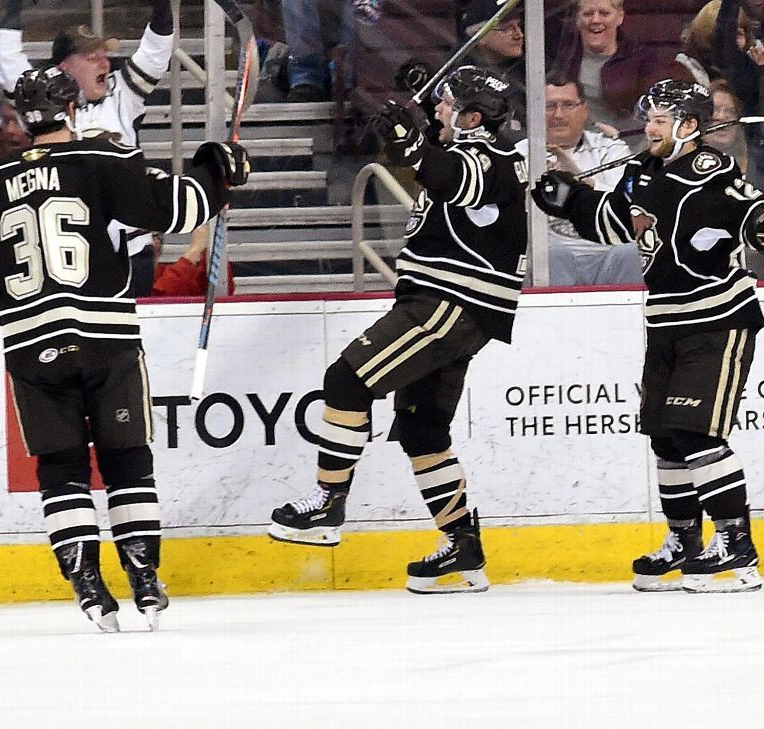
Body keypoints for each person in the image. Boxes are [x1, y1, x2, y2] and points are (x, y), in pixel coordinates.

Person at [0, 67, 248, 631]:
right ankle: (144, 580)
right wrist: (215, 167)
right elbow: (183, 208)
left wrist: (28, 326)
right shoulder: (104, 160)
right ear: (72, 110)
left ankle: (88, 587)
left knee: (61, 468)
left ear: (22, 118)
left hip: (30, 348)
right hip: (106, 342)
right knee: (127, 461)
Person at [268, 66, 527, 594]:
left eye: (448, 104)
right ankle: (463, 547)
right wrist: (414, 116)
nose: (438, 110)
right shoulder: (469, 147)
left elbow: (452, 178)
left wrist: (410, 141)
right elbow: (436, 155)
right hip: (455, 307)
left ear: (474, 118)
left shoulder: (488, 159)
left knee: (346, 381)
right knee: (423, 432)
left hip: (449, 303)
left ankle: (328, 506)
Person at [532, 79, 764, 593]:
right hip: (663, 321)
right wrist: (569, 200)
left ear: (688, 126)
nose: (650, 127)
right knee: (665, 437)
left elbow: (750, 212)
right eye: (650, 117)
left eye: (661, 119)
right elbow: (617, 224)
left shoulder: (711, 169)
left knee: (697, 433)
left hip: (716, 319)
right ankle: (684, 540)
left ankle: (737, 547)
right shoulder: (643, 169)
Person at [0, 0, 173, 264]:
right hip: (71, 258)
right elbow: (7, 58)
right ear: (64, 67)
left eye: (105, 56)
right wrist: (13, 6)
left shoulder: (122, 93)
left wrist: (162, 5)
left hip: (130, 253)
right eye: (93, 58)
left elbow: (157, 50)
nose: (105, 65)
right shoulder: (39, 98)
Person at [535, 73, 639, 285]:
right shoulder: (523, 154)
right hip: (555, 256)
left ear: (584, 110)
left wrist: (578, 179)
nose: (558, 115)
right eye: (550, 106)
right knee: (548, 252)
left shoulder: (611, 149)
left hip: (607, 252)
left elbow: (626, 203)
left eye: (568, 105)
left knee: (632, 251)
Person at [551, 0, 667, 134]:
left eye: (604, 13)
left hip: (629, 142)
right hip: (576, 142)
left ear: (620, 17)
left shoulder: (643, 60)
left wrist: (620, 134)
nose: (595, 20)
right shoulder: (564, 59)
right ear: (577, 19)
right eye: (588, 14)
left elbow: (652, 112)